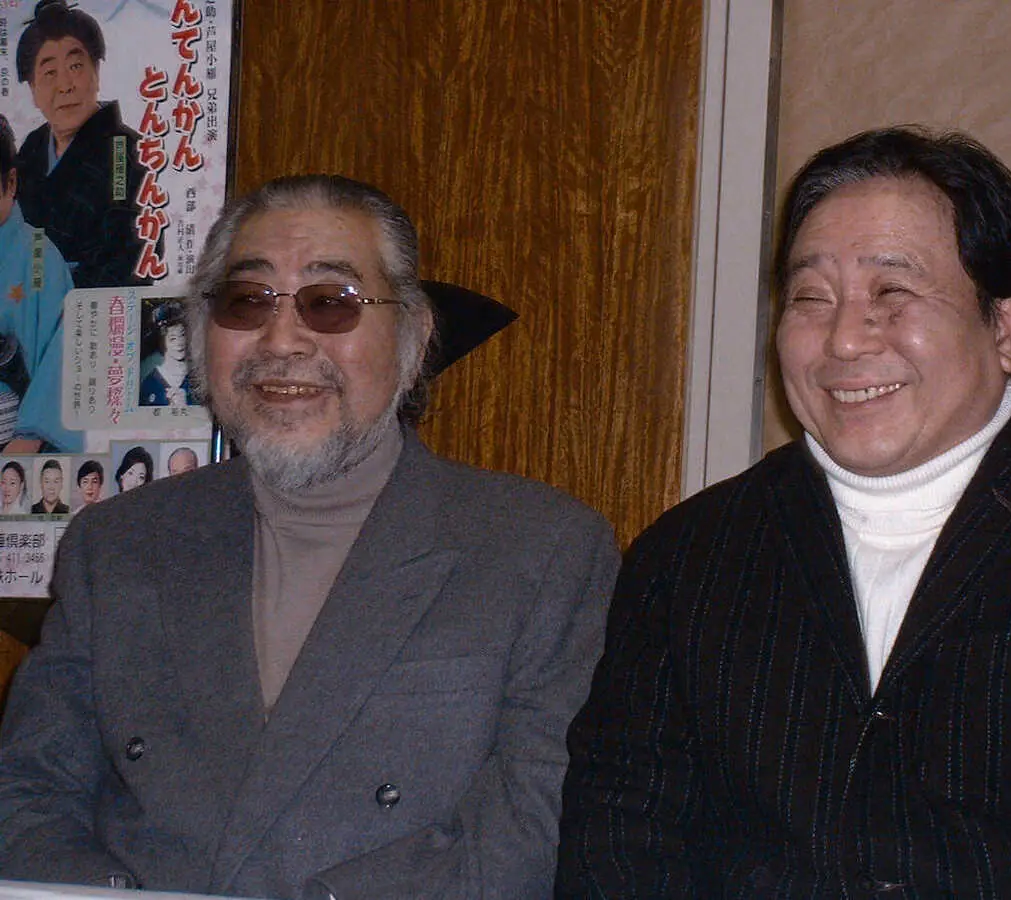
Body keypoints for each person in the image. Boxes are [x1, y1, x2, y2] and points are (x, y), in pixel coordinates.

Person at [558, 127, 1011, 897]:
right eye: (811, 298)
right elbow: (618, 834)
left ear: (1003, 326)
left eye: (892, 293)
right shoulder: (688, 557)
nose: (844, 339)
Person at [0, 174, 618, 899]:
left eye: (331, 302)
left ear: (414, 337)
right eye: (247, 301)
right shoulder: (117, 545)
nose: (282, 339)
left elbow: (532, 821)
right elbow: (29, 789)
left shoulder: (539, 549)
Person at [14, 0, 151, 289]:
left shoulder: (128, 152)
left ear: (96, 73)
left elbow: (128, 261)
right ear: (33, 89)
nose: (66, 85)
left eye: (76, 66)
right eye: (49, 73)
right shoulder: (33, 148)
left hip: (89, 306)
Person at [0, 113, 80, 453]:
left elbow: (64, 357)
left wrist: (27, 440)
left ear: (11, 182)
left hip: (15, 442)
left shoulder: (39, 256)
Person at [139, 300, 197, 407]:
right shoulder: (148, 384)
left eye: (183, 335)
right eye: (172, 338)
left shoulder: (199, 377)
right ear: (161, 342)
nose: (180, 342)